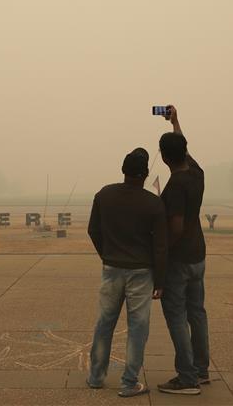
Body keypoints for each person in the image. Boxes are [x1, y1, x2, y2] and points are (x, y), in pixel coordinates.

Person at [86, 148, 167, 398]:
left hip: (111, 268)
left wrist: (107, 254)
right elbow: (160, 246)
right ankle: (129, 381)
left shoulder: (104, 195)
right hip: (142, 271)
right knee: (138, 327)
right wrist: (161, 280)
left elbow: (93, 230)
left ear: (123, 170)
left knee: (104, 324)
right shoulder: (153, 203)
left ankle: (96, 377)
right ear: (145, 174)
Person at [156, 105, 210, 395]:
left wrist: (162, 255)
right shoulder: (197, 173)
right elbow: (183, 149)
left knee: (176, 316)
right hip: (198, 255)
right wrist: (175, 122)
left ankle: (187, 377)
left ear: (164, 157)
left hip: (179, 259)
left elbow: (175, 227)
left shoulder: (176, 185)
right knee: (197, 313)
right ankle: (201, 370)